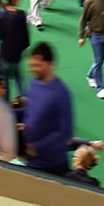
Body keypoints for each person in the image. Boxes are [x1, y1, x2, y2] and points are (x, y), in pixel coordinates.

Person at [20, 42, 74, 176]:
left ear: (50, 64)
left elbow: (65, 132)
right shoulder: (33, 83)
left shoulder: (61, 93)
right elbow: (29, 109)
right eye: (32, 65)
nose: (32, 69)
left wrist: (37, 148)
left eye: (37, 66)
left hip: (52, 166)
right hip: (32, 161)